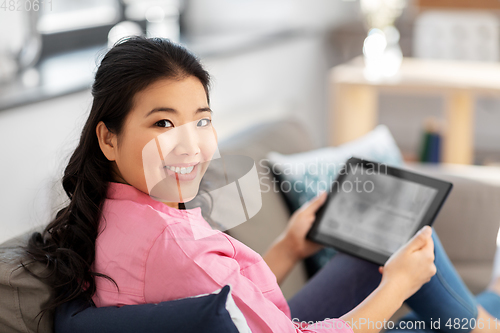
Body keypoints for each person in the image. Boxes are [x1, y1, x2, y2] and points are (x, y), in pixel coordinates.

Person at [25, 36, 500, 333]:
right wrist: (394, 288)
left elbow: (223, 298)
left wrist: (290, 247)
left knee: (400, 246)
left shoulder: (114, 210)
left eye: (202, 120)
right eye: (164, 124)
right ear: (108, 137)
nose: (190, 147)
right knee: (420, 299)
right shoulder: (174, 243)